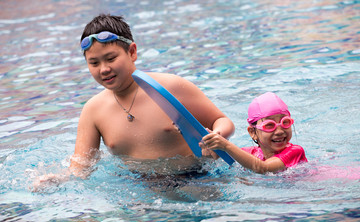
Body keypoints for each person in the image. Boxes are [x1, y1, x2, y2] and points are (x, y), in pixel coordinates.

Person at [33, 14, 234, 189]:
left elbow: (223, 121)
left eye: (110, 59)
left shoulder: (170, 87)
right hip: (139, 189)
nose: (103, 69)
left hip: (198, 179)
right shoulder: (93, 111)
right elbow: (81, 168)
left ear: (132, 52)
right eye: (94, 63)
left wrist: (216, 136)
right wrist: (59, 180)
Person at [201, 92, 307, 174]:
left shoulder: (295, 151)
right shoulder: (251, 153)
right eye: (269, 125)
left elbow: (263, 168)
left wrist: (226, 145)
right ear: (253, 132)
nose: (279, 131)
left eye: (285, 122)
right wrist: (212, 151)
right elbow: (223, 160)